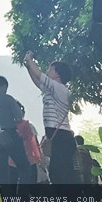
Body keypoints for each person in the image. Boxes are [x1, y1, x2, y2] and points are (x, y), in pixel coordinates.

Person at [22, 51, 79, 185]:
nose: (47, 71)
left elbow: (40, 76)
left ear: (58, 74)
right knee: (58, 171)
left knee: (61, 173)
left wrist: (30, 60)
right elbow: (38, 82)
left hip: (61, 136)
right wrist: (29, 67)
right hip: (58, 136)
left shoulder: (60, 89)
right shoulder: (53, 90)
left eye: (50, 69)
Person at [0, 76, 33, 202]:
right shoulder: (8, 99)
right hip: (10, 135)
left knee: (2, 174)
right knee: (25, 168)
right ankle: (22, 201)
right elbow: (19, 118)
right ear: (4, 87)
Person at [12, 103, 41, 185]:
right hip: (29, 161)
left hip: (12, 163)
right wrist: (39, 157)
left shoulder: (7, 128)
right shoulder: (28, 125)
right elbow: (34, 143)